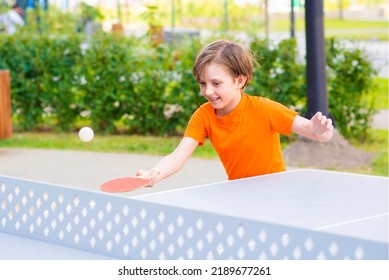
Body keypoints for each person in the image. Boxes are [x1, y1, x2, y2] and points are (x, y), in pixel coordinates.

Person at [136, 39, 333, 185]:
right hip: (238, 192)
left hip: (275, 192)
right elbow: (177, 157)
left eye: (216, 83)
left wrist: (320, 130)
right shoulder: (203, 116)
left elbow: (316, 134)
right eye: (202, 83)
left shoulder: (264, 109)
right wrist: (154, 174)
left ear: (239, 81)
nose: (208, 91)